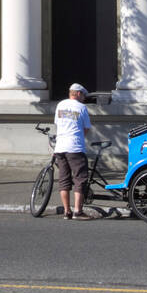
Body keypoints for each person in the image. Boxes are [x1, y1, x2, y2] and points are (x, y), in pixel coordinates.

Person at [54, 82, 93, 219]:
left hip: (60, 147)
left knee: (64, 179)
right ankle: (78, 211)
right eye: (83, 95)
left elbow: (57, 124)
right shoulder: (82, 107)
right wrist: (78, 137)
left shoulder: (60, 105)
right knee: (79, 179)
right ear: (77, 93)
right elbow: (86, 128)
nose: (84, 98)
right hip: (75, 147)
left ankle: (67, 211)